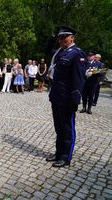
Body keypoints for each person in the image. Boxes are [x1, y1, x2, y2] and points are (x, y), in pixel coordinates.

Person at [47, 26, 88, 167]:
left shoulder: (77, 54)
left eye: (65, 37)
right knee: (58, 127)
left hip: (67, 99)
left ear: (72, 38)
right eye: (60, 37)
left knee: (67, 128)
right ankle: (58, 153)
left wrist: (75, 99)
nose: (62, 39)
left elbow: (79, 79)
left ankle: (66, 157)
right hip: (57, 96)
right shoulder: (60, 53)